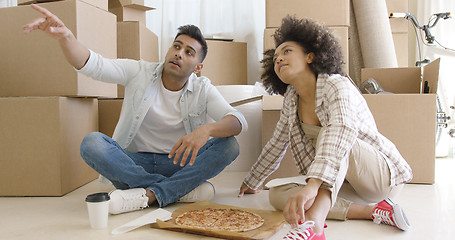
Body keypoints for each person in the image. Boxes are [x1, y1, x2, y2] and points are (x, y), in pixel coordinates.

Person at [24, 4, 247, 214]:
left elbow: (237, 121)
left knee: (229, 146)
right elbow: (94, 65)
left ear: (198, 67)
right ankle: (174, 191)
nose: (179, 53)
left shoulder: (202, 88)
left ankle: (145, 194)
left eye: (189, 52)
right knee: (91, 143)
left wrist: (205, 131)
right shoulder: (139, 71)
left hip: (178, 164)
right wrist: (66, 37)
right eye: (176, 46)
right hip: (133, 164)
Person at [238, 16, 412, 239]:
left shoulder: (336, 84)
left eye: (287, 51)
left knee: (333, 136)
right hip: (340, 183)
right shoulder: (291, 99)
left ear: (310, 55)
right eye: (276, 58)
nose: (279, 59)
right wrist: (252, 181)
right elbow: (277, 144)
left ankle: (315, 226)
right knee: (279, 196)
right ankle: (373, 211)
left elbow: (341, 131)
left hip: (379, 178)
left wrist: (312, 186)